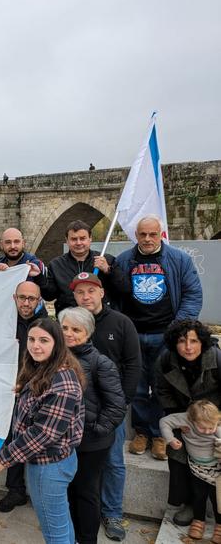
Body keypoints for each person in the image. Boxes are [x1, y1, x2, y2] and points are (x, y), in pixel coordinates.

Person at [0, 318, 85, 544]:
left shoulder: (62, 384)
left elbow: (44, 433)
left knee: (54, 531)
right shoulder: (46, 369)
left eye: (43, 340)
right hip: (51, 462)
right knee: (60, 522)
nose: (35, 346)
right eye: (31, 339)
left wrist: (4, 458)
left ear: (57, 344)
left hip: (49, 467)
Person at [114, 215, 203, 462]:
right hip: (134, 335)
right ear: (137, 236)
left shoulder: (179, 259)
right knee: (139, 387)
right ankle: (142, 432)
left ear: (161, 234)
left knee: (163, 387)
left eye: (153, 234)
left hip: (165, 335)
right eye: (143, 234)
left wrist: (176, 329)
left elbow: (193, 294)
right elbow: (114, 295)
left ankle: (160, 434)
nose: (148, 239)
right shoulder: (124, 260)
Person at [71, 271, 141, 541]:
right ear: (74, 296)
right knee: (80, 465)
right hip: (78, 410)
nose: (85, 296)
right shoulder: (70, 322)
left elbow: (134, 365)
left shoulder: (121, 323)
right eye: (80, 292)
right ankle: (80, 511)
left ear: (101, 292)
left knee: (113, 461)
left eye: (90, 290)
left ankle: (112, 511)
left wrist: (121, 403)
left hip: (111, 408)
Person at [59, 307, 126, 544]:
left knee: (86, 492)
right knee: (67, 490)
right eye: (65, 328)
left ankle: (87, 538)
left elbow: (117, 407)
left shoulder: (101, 363)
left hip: (91, 443)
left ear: (88, 332)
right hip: (63, 441)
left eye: (76, 329)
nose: (69, 334)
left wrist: (95, 430)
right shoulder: (54, 358)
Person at [155, 319, 221, 527]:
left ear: (202, 342)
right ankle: (190, 504)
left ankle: (218, 507)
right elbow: (162, 389)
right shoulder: (166, 360)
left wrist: (215, 418)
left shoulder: (217, 358)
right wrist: (177, 417)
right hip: (183, 416)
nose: (189, 347)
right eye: (182, 341)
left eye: (194, 341)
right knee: (179, 457)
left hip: (214, 416)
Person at [0, 281, 47, 513]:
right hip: (9, 391)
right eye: (22, 298)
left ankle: (41, 492)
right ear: (14, 298)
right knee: (13, 438)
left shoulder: (46, 325)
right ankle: (15, 490)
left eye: (31, 299)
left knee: (34, 440)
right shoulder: (2, 321)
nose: (26, 303)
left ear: (39, 300)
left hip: (36, 391)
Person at [160, 400, 221, 543]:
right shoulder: (185, 418)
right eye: (203, 428)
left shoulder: (217, 427)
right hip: (196, 468)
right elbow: (164, 421)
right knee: (198, 495)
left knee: (217, 499)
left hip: (216, 472)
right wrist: (170, 439)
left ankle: (220, 524)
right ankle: (199, 520)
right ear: (192, 420)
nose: (207, 431)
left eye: (210, 428)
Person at [40, 220, 128, 316]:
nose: (78, 243)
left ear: (90, 238)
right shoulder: (56, 265)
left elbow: (124, 289)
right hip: (70, 320)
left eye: (82, 238)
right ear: (67, 240)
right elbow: (48, 296)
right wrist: (39, 277)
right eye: (74, 239)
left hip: (102, 319)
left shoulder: (107, 260)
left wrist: (108, 270)